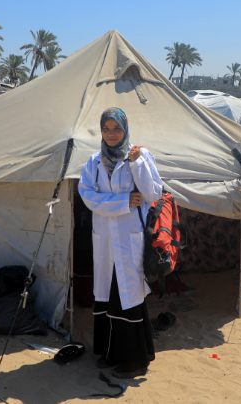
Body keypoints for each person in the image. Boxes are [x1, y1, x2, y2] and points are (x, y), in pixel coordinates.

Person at [78, 107, 163, 379]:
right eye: (106, 129)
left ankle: (135, 360)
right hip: (105, 240)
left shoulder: (140, 155)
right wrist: (123, 201)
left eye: (117, 129)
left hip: (130, 238)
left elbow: (152, 193)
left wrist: (138, 164)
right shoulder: (93, 162)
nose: (111, 134)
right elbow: (88, 197)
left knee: (127, 295)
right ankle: (110, 352)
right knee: (107, 294)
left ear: (125, 129)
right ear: (101, 131)